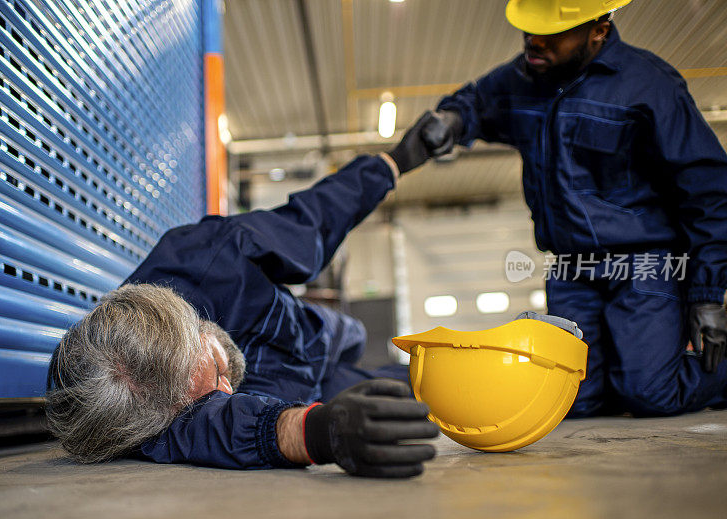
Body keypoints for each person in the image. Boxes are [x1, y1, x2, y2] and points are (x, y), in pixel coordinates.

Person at [46, 116, 442, 478]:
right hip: (296, 394)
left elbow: (313, 221)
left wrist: (393, 164)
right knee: (424, 396)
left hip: (313, 335)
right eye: (202, 404)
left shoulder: (213, 256)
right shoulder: (124, 408)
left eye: (217, 373)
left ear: (193, 324)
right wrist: (312, 432)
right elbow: (209, 427)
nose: (228, 392)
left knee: (371, 348)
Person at [420, 0, 727, 416]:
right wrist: (452, 120)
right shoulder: (524, 76)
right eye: (529, 30)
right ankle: (623, 378)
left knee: (650, 392)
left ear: (597, 30)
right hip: (569, 269)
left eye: (550, 34)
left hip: (642, 263)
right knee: (572, 401)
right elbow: (477, 100)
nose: (533, 41)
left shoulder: (649, 85)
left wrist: (707, 294)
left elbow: (707, 188)